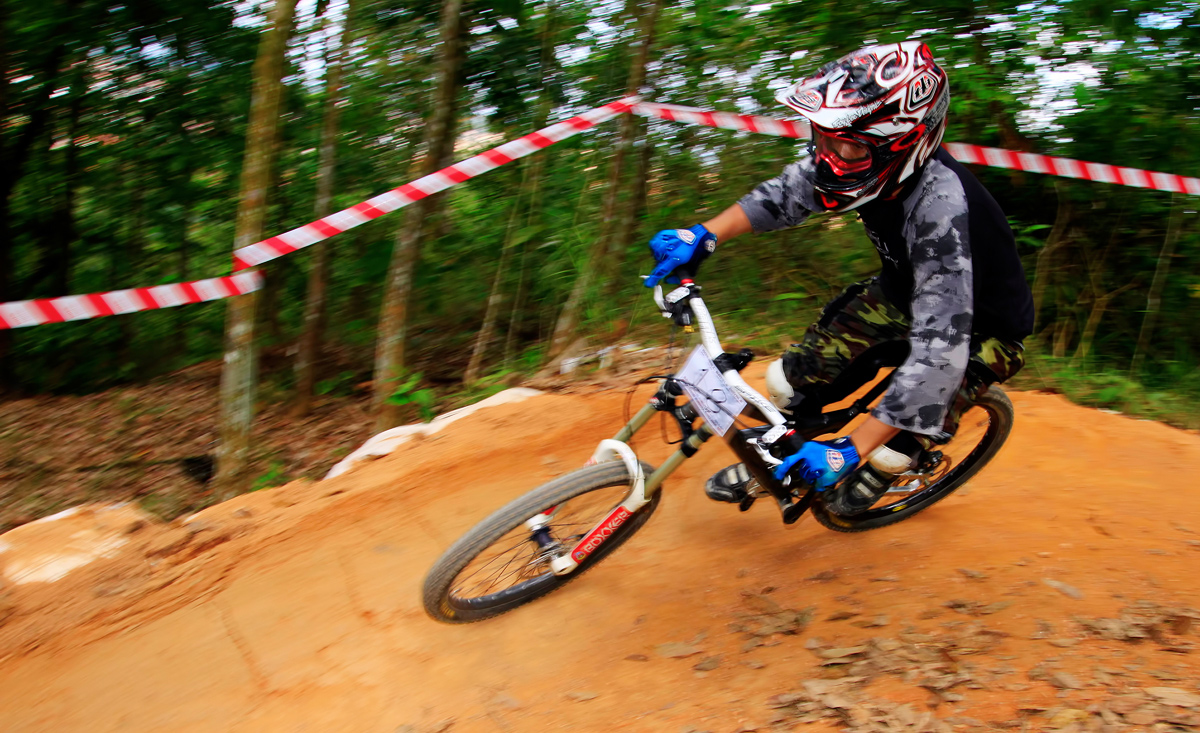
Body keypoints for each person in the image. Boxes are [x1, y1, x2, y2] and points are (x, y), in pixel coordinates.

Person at [643, 41, 1034, 515]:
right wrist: (704, 235)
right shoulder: (866, 161)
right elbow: (787, 193)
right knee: (788, 383)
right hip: (901, 296)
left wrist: (851, 447)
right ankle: (780, 459)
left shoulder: (942, 212)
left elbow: (939, 354)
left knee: (890, 446)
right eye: (823, 137)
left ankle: (885, 470)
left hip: (981, 333)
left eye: (844, 145)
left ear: (904, 144)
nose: (827, 156)